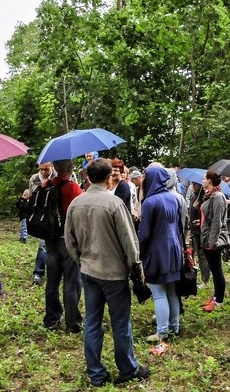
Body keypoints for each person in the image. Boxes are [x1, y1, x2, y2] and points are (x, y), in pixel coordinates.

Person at [65, 158, 150, 386]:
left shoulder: (76, 204)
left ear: (87, 177)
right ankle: (128, 369)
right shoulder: (114, 205)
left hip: (88, 271)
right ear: (109, 177)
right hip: (114, 275)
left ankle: (96, 373)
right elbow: (129, 241)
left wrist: (81, 260)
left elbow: (69, 240)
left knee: (92, 322)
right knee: (121, 323)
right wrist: (136, 267)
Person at [137, 165, 183, 354]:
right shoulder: (174, 199)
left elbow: (145, 233)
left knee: (158, 292)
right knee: (171, 290)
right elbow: (180, 225)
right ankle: (174, 327)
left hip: (157, 251)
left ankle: (162, 331)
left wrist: (139, 252)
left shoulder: (150, 202)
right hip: (174, 249)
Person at [43, 159, 84, 332]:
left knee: (52, 281)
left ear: (54, 168)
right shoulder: (73, 188)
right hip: (68, 239)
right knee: (71, 281)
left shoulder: (46, 185)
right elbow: (81, 213)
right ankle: (72, 321)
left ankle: (52, 318)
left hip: (50, 238)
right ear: (70, 168)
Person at [200, 171, 230, 312]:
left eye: (204, 178)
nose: (202, 181)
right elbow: (210, 217)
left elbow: (217, 222)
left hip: (212, 240)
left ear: (210, 180)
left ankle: (219, 300)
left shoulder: (218, 196)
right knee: (214, 269)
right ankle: (215, 296)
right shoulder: (209, 195)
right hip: (207, 236)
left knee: (217, 270)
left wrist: (211, 242)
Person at [28, 162, 54, 285]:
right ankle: (38, 272)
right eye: (42, 169)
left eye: (46, 169)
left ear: (52, 167)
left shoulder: (58, 176)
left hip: (56, 214)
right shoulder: (34, 179)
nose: (44, 172)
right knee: (43, 244)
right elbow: (31, 196)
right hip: (42, 216)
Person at [186, 181, 211, 287]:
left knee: (202, 255)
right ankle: (202, 278)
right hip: (194, 230)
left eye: (195, 184)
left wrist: (200, 219)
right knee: (197, 255)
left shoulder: (205, 198)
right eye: (192, 184)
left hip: (202, 231)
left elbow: (208, 215)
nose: (193, 186)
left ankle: (206, 279)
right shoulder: (194, 196)